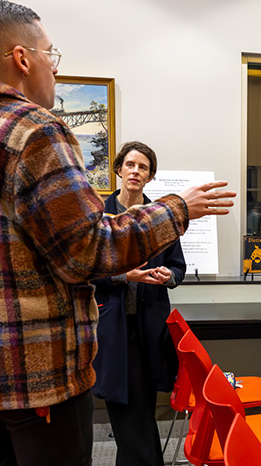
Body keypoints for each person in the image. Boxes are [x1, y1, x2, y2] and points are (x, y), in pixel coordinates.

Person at [0, 0, 234, 466]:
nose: (55, 69)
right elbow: (89, 251)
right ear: (22, 58)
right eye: (51, 55)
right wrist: (180, 209)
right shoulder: (34, 131)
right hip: (34, 377)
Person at [91, 141, 185, 466]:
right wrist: (124, 276)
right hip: (114, 326)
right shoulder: (98, 214)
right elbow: (88, 272)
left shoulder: (160, 216)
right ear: (118, 169)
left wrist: (167, 275)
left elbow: (178, 268)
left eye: (142, 167)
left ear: (150, 176)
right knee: (125, 405)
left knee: (143, 408)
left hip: (150, 325)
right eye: (130, 164)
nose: (135, 171)